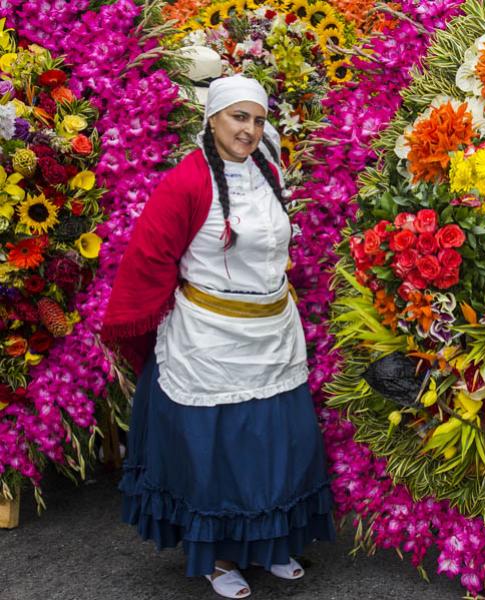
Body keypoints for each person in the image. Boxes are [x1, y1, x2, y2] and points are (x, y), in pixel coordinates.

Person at [101, 75, 335, 599]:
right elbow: (149, 256)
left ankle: (272, 545)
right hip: (210, 340)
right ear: (212, 118)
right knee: (222, 455)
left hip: (272, 332)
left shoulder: (267, 169)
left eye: (257, 119)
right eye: (238, 117)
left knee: (277, 445)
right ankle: (219, 556)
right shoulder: (186, 181)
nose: (249, 130)